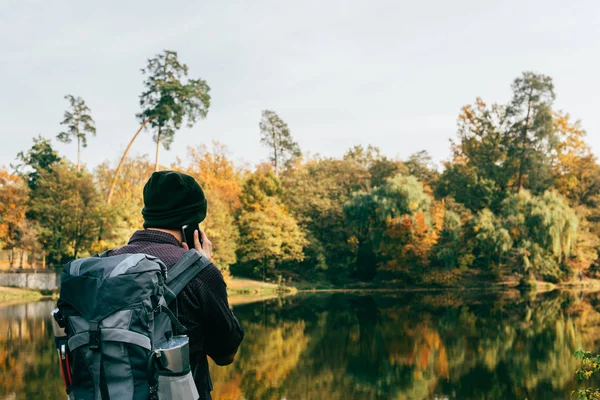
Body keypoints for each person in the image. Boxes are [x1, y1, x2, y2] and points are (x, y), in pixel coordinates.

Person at [108, 170, 244, 400]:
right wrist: (203, 265)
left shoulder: (107, 263)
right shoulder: (200, 273)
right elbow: (225, 354)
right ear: (191, 226)